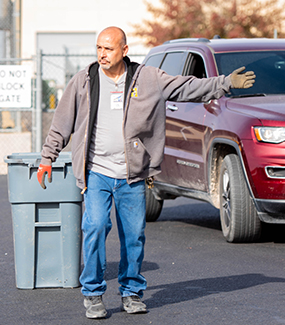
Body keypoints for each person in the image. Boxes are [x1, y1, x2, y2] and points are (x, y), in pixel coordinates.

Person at [36, 26, 255, 319]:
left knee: (134, 236)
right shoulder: (85, 80)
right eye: (99, 48)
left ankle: (131, 292)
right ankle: (92, 293)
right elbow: (62, 122)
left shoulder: (148, 78)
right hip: (96, 171)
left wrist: (225, 83)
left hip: (133, 173)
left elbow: (186, 87)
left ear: (124, 51)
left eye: (108, 49)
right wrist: (47, 157)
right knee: (96, 227)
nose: (102, 54)